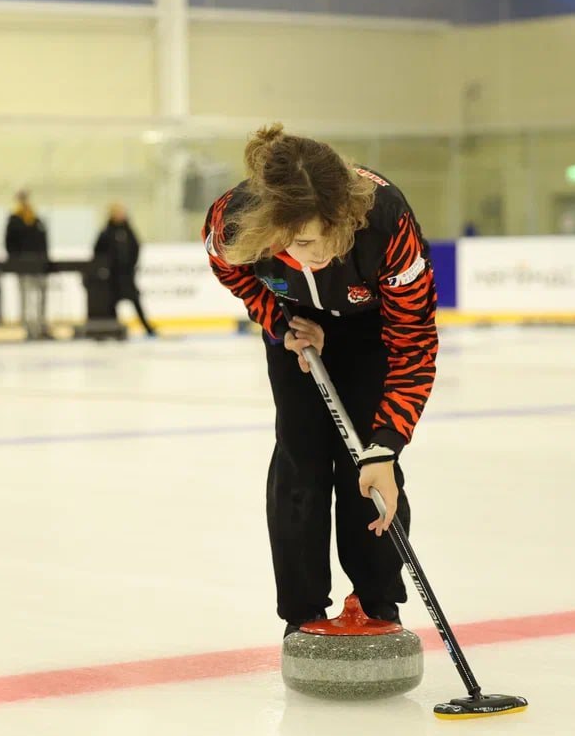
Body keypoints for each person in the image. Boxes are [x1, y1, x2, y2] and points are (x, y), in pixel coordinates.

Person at [204, 124, 438, 636]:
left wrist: (387, 446)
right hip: (298, 326)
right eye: (305, 241)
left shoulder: (386, 221)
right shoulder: (235, 220)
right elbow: (230, 270)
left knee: (368, 461)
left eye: (334, 233)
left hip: (372, 328)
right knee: (301, 459)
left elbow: (414, 343)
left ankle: (378, 602)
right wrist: (280, 322)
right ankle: (303, 611)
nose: (322, 253)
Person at [95, 203, 156, 337]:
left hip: (127, 275)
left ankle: (148, 328)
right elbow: (98, 253)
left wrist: (131, 265)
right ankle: (114, 328)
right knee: (111, 303)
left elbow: (136, 248)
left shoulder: (129, 231)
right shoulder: (106, 233)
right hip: (112, 277)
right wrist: (106, 269)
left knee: (136, 302)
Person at [5, 190, 51, 339]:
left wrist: (45, 261)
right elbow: (10, 244)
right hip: (23, 265)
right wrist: (16, 261)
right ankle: (27, 326)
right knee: (26, 296)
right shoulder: (14, 221)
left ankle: (41, 324)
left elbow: (44, 243)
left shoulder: (36, 220)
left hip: (39, 265)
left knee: (41, 296)